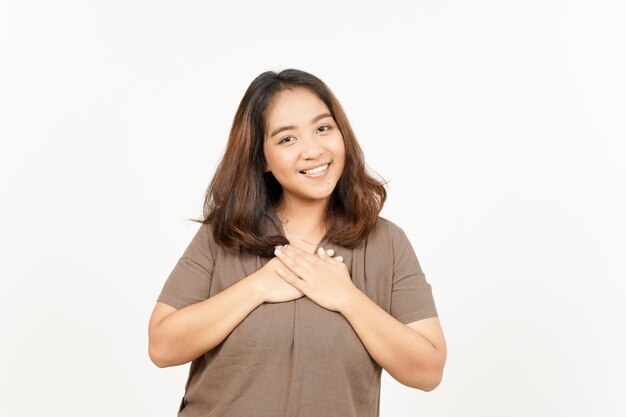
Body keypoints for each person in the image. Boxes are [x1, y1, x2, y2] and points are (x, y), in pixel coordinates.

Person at [148, 68, 447, 417]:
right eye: (287, 139)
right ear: (262, 160)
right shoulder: (223, 235)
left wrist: (346, 297)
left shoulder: (387, 243)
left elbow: (428, 371)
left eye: (323, 128)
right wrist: (257, 287)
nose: (313, 150)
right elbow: (162, 346)